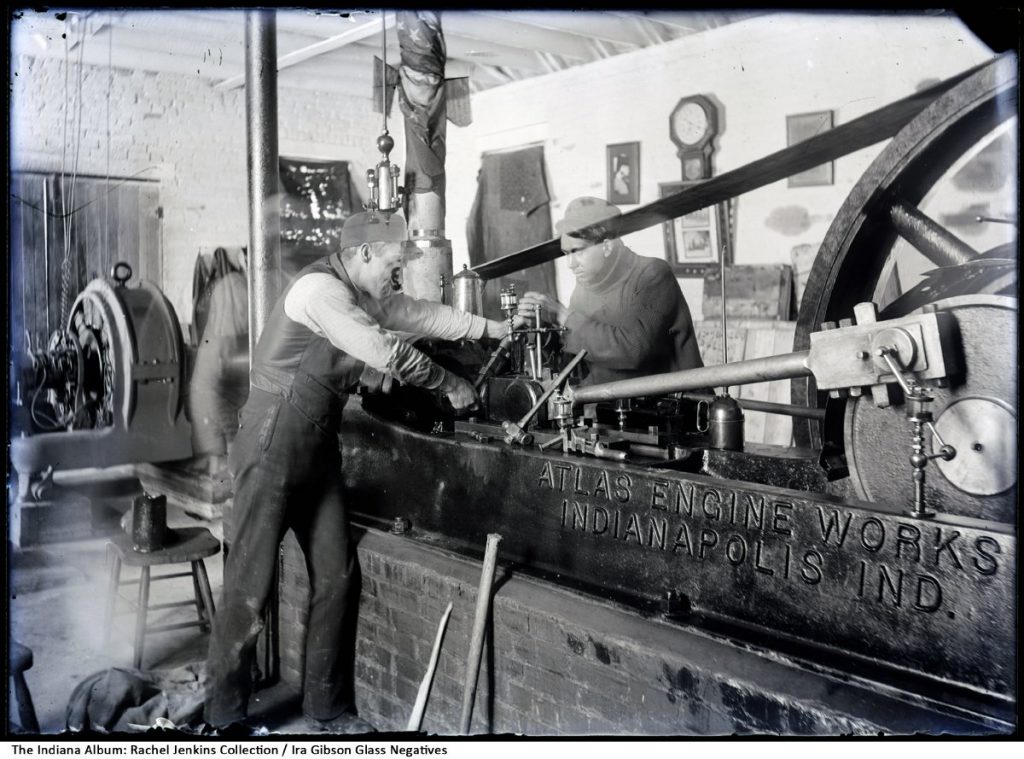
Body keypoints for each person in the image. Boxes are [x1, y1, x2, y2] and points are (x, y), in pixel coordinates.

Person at [204, 211, 512, 732]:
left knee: (337, 575)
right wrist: (447, 383)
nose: (401, 272)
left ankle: (326, 709)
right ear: (366, 253)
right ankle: (224, 718)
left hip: (317, 442)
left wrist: (492, 328)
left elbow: (422, 315)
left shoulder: (362, 292)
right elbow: (384, 348)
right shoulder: (319, 291)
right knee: (248, 586)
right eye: (396, 261)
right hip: (272, 438)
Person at [519, 196, 703, 387]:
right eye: (566, 253)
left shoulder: (653, 275)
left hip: (678, 408)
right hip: (618, 409)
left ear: (606, 246)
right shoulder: (586, 286)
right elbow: (577, 358)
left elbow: (633, 350)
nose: (570, 264)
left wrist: (563, 315)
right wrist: (544, 326)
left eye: (578, 251)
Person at [189, 247, 249, 474]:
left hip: (218, 390)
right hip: (216, 391)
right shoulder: (234, 287)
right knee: (227, 466)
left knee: (224, 467)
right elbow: (229, 350)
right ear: (244, 260)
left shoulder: (235, 286)